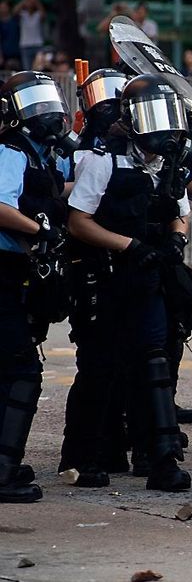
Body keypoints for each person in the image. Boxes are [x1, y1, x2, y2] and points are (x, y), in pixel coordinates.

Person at [62, 73, 192, 492]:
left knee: (153, 362)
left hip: (147, 276)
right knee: (100, 367)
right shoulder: (103, 160)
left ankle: (161, 459)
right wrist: (128, 245)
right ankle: (84, 458)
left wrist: (176, 237)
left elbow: (179, 211)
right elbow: (78, 222)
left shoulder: (168, 165)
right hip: (105, 277)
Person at [0, 71, 73, 503]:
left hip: (18, 270)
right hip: (4, 267)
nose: (46, 110)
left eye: (48, 100)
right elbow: (2, 207)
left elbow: (57, 187)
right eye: (35, 102)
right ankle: (4, 470)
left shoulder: (38, 154)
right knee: (21, 372)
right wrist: (39, 231)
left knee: (12, 368)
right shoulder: (9, 151)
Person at [13, 0, 45, 73]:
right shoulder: (22, 14)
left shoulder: (38, 14)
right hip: (25, 45)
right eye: (29, 0)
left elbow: (43, 15)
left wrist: (36, 1)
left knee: (39, 69)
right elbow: (14, 12)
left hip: (38, 45)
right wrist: (24, 0)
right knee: (27, 70)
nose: (30, 2)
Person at [0, 1, 21, 68]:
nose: (3, 9)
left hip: (18, 53)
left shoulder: (15, 20)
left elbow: (17, 10)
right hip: (5, 54)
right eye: (1, 7)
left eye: (4, 7)